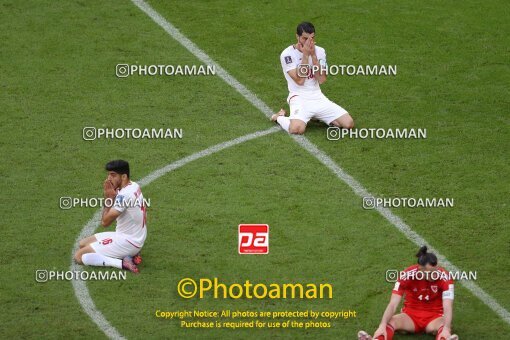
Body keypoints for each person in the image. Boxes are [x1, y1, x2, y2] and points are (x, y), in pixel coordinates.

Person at [358, 246, 458, 340]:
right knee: (391, 321)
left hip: (435, 317)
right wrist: (382, 325)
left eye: (435, 270)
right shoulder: (406, 275)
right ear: (420, 269)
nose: (435, 274)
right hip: (410, 316)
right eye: (430, 272)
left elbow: (448, 306)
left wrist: (446, 328)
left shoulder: (445, 277)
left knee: (444, 325)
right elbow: (393, 304)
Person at [272, 21, 354, 134]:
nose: (308, 42)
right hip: (298, 97)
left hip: (317, 97)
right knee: (296, 129)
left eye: (311, 38)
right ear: (297, 36)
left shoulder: (320, 51)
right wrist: (306, 55)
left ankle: (316, 116)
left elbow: (322, 79)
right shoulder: (287, 55)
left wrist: (313, 56)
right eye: (305, 39)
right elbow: (300, 81)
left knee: (348, 124)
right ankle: (279, 117)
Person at [74, 160, 147, 274]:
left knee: (79, 256)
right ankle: (130, 255)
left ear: (123, 177)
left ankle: (122, 263)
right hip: (132, 237)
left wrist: (108, 197)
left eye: (113, 175)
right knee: (82, 243)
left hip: (128, 241)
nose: (109, 178)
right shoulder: (133, 185)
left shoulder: (125, 195)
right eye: (108, 174)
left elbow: (105, 222)